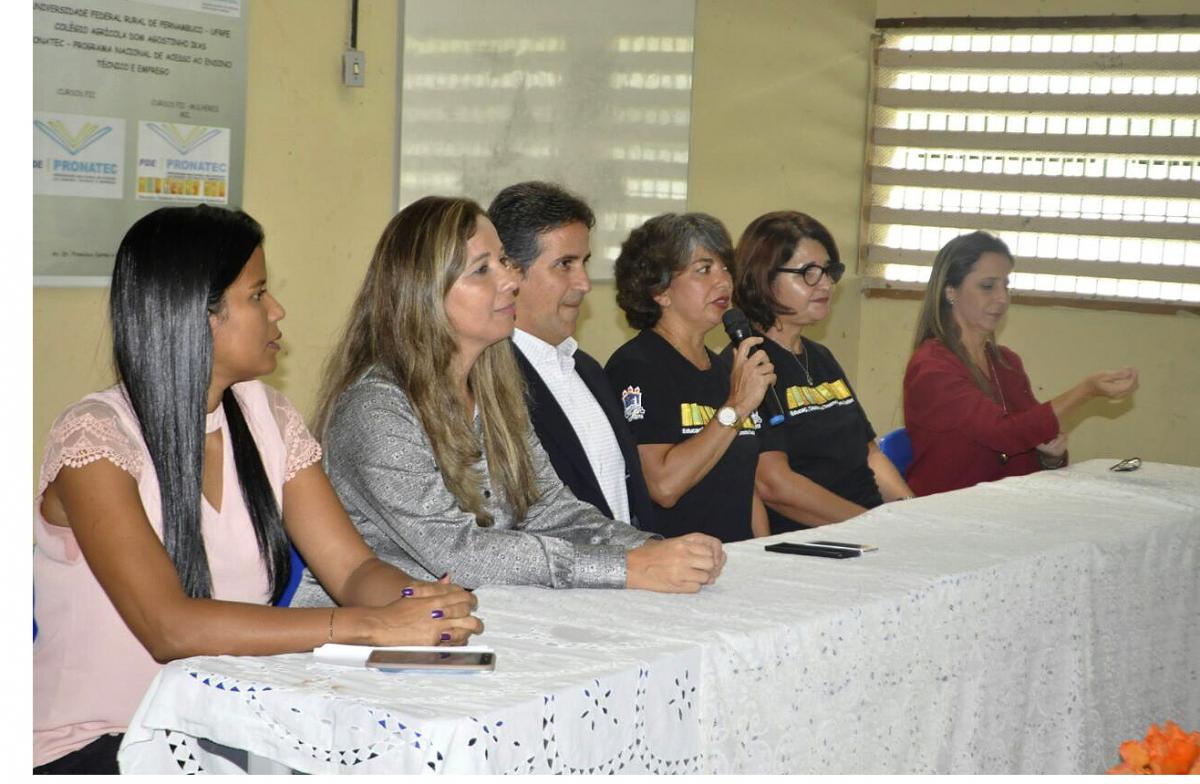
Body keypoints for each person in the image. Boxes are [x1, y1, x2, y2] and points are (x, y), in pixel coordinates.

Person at [33, 205, 481, 774]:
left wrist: (418, 603)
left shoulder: (268, 416)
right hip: (104, 742)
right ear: (196, 314)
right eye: (257, 295)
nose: (277, 311)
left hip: (225, 723)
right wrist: (370, 625)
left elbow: (351, 571)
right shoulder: (94, 438)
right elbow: (170, 627)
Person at [289, 196, 725, 607]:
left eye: (504, 262)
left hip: (474, 624)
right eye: (483, 269)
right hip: (367, 650)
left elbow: (551, 510)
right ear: (423, 292)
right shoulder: (376, 410)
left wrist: (653, 548)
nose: (512, 280)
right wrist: (625, 567)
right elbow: (458, 552)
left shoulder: (495, 391)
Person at [903, 230, 1139, 496]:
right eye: (988, 286)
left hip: (1007, 505)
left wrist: (1050, 457)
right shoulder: (932, 367)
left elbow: (1030, 435)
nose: (1002, 298)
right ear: (950, 291)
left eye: (1006, 286)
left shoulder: (1006, 362)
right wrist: (1086, 391)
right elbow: (1004, 433)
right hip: (947, 512)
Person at [727, 211, 913, 532]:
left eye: (828, 271)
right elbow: (775, 486)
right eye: (808, 273)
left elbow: (869, 455)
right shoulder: (748, 365)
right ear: (763, 277)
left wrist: (911, 515)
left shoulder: (820, 356)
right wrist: (870, 525)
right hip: (816, 538)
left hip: (868, 522)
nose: (825, 283)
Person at [487, 181, 655, 530]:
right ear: (511, 272)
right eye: (565, 264)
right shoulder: (488, 377)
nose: (584, 283)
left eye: (584, 262)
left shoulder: (589, 370)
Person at [605, 212, 775, 543]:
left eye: (726, 267)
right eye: (704, 269)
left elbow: (744, 484)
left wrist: (763, 551)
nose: (724, 281)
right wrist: (736, 408)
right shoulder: (636, 367)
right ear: (660, 291)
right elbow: (664, 486)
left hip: (738, 560)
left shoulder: (727, 370)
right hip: (677, 571)